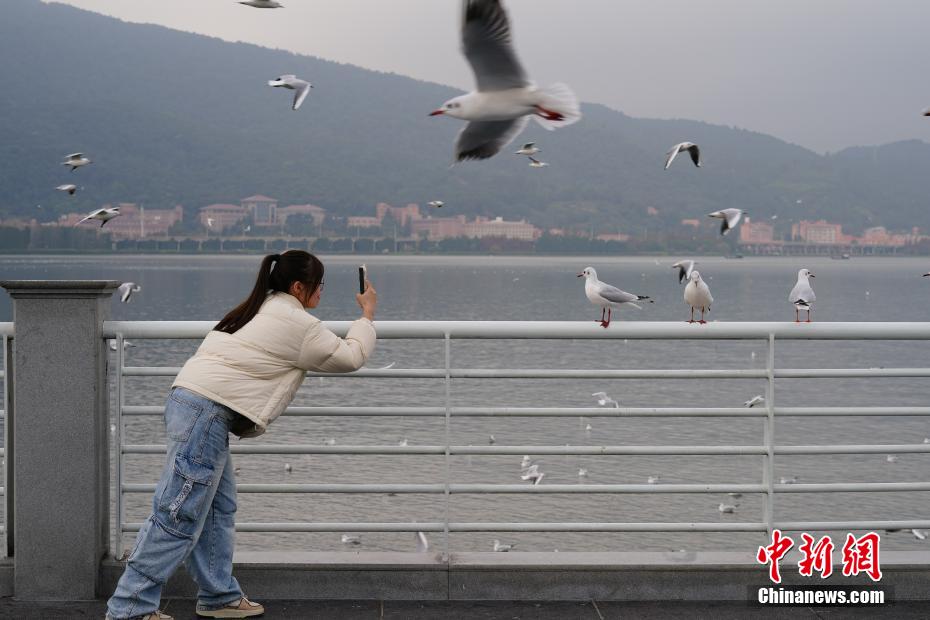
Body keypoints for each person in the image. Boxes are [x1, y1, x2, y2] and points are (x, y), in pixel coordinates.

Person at [106, 250, 377, 620]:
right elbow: (350, 357)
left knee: (218, 508)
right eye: (319, 285)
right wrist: (366, 315)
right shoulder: (297, 323)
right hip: (206, 411)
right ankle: (129, 608)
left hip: (193, 403)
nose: (321, 292)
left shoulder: (258, 306)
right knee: (178, 512)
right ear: (299, 287)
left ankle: (219, 597)